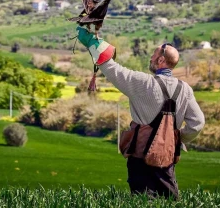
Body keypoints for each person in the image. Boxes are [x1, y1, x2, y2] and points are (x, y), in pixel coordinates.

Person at [76, 27, 205, 199]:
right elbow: (198, 123)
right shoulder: (185, 89)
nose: (151, 57)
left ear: (160, 60)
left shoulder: (144, 83)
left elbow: (112, 68)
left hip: (140, 158)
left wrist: (93, 43)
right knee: (170, 201)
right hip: (166, 159)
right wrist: (176, 139)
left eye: (153, 54)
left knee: (143, 201)